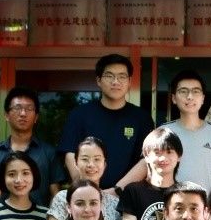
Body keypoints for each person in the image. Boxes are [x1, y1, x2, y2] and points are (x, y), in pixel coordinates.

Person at [113, 70, 211, 192]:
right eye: (183, 91)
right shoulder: (164, 131)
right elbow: (146, 163)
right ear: (174, 98)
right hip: (171, 200)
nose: (190, 96)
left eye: (195, 91)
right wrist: (116, 189)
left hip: (206, 202)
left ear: (203, 98)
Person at [58, 55, 154, 189]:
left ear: (129, 81)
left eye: (122, 76)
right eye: (109, 76)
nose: (116, 81)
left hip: (128, 195)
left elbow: (146, 159)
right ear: (98, 80)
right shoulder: (79, 115)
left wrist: (117, 191)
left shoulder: (142, 118)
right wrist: (84, 187)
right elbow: (69, 153)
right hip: (86, 194)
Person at [0, 86, 64, 206]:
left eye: (29, 108)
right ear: (6, 115)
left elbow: (56, 195)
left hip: (40, 217)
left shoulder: (49, 153)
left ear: (36, 117)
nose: (23, 113)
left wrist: (51, 218)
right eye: (17, 108)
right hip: (1, 217)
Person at [47, 138, 120, 220]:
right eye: (85, 159)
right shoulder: (62, 198)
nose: (91, 165)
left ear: (104, 164)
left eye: (97, 159)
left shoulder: (115, 204)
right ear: (75, 163)